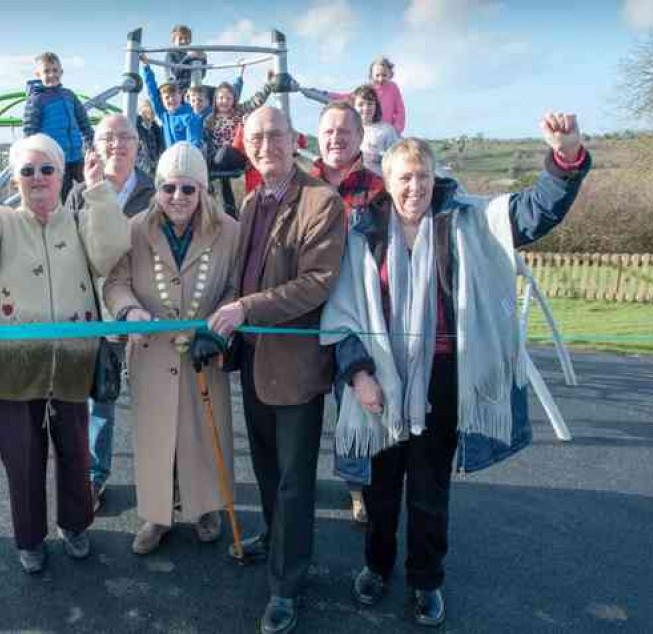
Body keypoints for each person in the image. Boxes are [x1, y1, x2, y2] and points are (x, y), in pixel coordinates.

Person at [320, 114, 590, 627]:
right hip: (376, 382)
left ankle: (426, 581)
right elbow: (343, 311)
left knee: (428, 492)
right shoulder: (363, 232)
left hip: (443, 380)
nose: (414, 187)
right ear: (388, 181)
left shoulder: (467, 219)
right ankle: (376, 567)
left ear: (435, 177)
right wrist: (357, 374)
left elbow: (536, 213)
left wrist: (565, 159)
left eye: (423, 176)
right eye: (404, 177)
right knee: (379, 492)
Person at [0, 134, 130, 574]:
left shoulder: (82, 219)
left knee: (75, 452)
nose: (38, 178)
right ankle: (29, 539)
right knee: (21, 457)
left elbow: (111, 251)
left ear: (62, 175)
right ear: (18, 178)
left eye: (47, 169)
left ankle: (76, 525)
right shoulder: (0, 220)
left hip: (72, 362)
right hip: (12, 366)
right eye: (27, 171)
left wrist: (100, 188)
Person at [208, 106, 345, 634]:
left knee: (293, 481)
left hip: (296, 367)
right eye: (257, 136)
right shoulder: (251, 199)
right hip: (254, 361)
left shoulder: (321, 202)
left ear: (296, 141)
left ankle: (287, 584)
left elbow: (316, 283)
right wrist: (221, 318)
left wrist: (246, 309)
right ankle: (277, 536)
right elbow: (241, 279)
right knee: (266, 466)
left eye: (276, 135)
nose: (266, 144)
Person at [104, 142, 239, 554]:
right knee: (155, 435)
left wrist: (216, 331)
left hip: (204, 351)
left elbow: (236, 287)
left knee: (203, 430)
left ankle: (206, 507)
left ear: (202, 190)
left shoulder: (230, 230)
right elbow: (116, 282)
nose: (177, 198)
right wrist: (128, 312)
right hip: (152, 351)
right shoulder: (132, 229)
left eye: (187, 188)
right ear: (158, 189)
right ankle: (156, 515)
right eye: (168, 188)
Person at [64, 114, 155, 512]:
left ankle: (166, 479)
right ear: (95, 147)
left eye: (125, 137)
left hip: (143, 313)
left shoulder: (156, 193)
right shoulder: (79, 193)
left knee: (155, 399)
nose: (116, 144)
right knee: (97, 400)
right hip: (93, 313)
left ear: (138, 145)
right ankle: (93, 475)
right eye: (107, 138)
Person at [309, 100, 385, 523]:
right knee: (299, 406)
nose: (336, 138)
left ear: (359, 137)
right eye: (329, 132)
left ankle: (359, 488)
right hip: (304, 312)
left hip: (355, 313)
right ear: (318, 139)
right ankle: (297, 487)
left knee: (355, 403)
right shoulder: (302, 184)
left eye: (344, 131)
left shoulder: (379, 188)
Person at [23, 51, 95, 200]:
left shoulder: (68, 95)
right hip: (55, 158)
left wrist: (90, 142)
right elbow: (30, 129)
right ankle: (64, 220)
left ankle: (88, 219)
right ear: (38, 74)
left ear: (61, 72)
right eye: (46, 71)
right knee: (62, 195)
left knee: (90, 188)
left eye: (55, 70)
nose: (51, 75)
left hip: (76, 155)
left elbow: (83, 121)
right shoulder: (37, 99)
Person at [205, 72, 274, 218]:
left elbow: (257, 101)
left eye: (228, 98)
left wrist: (268, 85)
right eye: (221, 98)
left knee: (225, 151)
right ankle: (229, 213)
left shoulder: (238, 112)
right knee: (221, 176)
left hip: (236, 155)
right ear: (215, 100)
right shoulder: (210, 119)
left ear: (234, 100)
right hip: (219, 159)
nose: (224, 101)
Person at [142, 53, 208, 149]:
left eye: (174, 96)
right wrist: (146, 67)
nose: (171, 99)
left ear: (180, 96)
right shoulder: (164, 115)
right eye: (167, 97)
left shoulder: (190, 112)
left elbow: (194, 141)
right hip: (172, 157)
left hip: (189, 156)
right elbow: (153, 93)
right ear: (162, 101)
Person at [352, 84, 401, 176]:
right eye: (361, 104)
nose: (366, 108)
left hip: (377, 182)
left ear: (376, 106)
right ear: (353, 106)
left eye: (370, 104)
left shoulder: (386, 130)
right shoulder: (347, 130)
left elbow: (397, 160)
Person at [166, 24, 208, 94]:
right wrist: (188, 58)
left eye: (186, 38)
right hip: (176, 89)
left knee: (215, 91)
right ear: (173, 41)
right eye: (180, 39)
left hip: (191, 88)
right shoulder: (171, 54)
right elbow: (175, 73)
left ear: (190, 41)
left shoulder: (189, 56)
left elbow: (202, 76)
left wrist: (203, 60)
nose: (183, 41)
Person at [369, 56, 406, 135]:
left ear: (390, 75)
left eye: (384, 75)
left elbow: (400, 110)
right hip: (371, 129)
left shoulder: (393, 87)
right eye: (377, 75)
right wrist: (335, 95)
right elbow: (352, 96)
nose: (381, 78)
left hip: (389, 130)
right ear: (372, 76)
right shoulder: (369, 89)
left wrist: (397, 128)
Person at [136, 98, 165, 175]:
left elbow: (159, 147)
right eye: (150, 109)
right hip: (140, 166)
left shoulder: (156, 128)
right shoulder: (135, 125)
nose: (153, 112)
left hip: (154, 166)